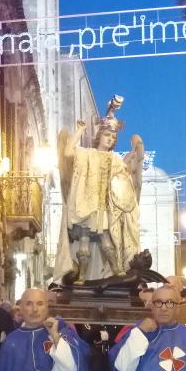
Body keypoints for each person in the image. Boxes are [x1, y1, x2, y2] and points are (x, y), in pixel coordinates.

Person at [54, 95, 144, 281]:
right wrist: (79, 130)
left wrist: (133, 157)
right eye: (106, 135)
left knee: (106, 241)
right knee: (84, 243)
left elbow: (123, 178)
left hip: (105, 207)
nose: (110, 139)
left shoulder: (114, 159)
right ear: (99, 136)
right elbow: (68, 152)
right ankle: (82, 277)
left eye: (113, 137)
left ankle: (118, 271)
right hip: (86, 206)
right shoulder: (87, 154)